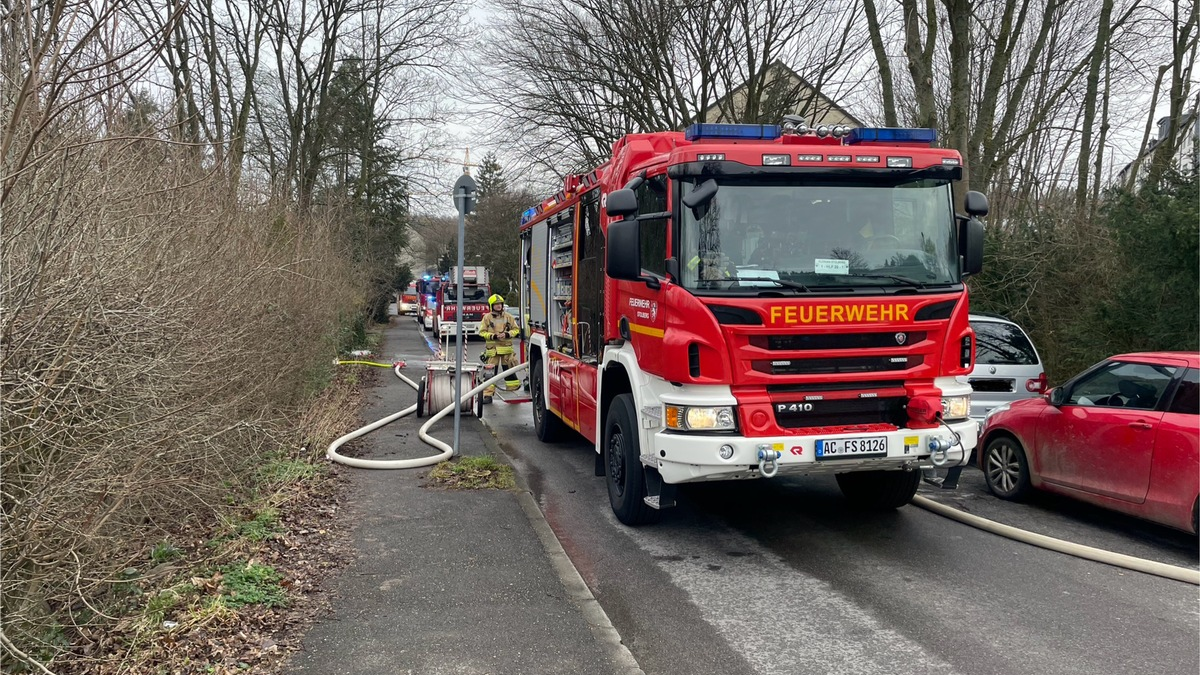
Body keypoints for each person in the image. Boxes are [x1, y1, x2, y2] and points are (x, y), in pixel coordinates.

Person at [477, 294, 522, 403]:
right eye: (496, 304)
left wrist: (507, 334)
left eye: (500, 304)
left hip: (506, 350)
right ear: (491, 306)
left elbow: (516, 330)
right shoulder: (487, 318)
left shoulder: (508, 317)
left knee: (510, 372)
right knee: (490, 373)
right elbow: (481, 332)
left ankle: (513, 393)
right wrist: (492, 336)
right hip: (493, 351)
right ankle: (487, 395)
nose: (498, 306)